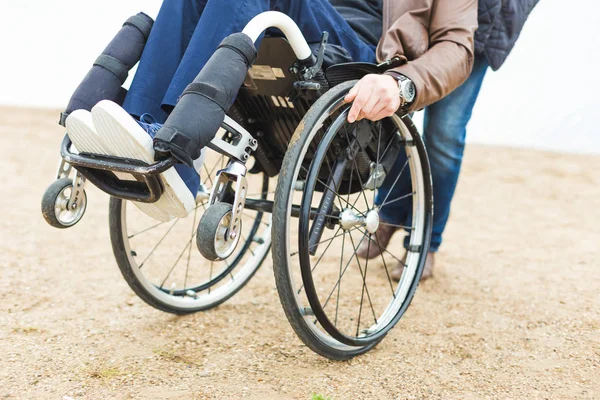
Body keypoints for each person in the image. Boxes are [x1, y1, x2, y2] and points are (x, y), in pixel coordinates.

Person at [65, 0, 477, 224]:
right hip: (290, 33)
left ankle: (177, 151)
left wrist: (401, 83)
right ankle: (145, 126)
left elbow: (457, 47)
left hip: (356, 56)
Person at [357, 0, 541, 281]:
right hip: (413, 12)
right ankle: (389, 214)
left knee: (444, 137)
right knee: (392, 116)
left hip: (479, 26)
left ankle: (425, 242)